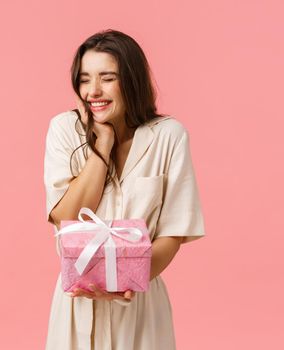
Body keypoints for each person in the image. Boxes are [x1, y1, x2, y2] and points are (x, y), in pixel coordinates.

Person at [43, 29, 205, 350]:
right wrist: (102, 146)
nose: (94, 90)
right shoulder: (64, 128)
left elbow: (173, 233)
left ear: (131, 80)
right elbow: (66, 218)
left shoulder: (169, 136)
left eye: (107, 78)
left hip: (141, 303)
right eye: (85, 79)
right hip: (78, 303)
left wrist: (121, 284)